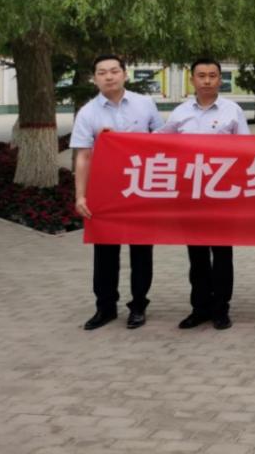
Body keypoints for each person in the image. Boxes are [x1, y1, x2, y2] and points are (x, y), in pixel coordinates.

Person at [72, 54, 163, 330]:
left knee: (141, 251)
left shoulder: (145, 104)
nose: (109, 76)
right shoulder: (88, 112)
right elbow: (83, 156)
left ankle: (138, 306)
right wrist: (81, 196)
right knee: (105, 253)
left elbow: (163, 141)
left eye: (114, 71)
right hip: (105, 189)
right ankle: (105, 307)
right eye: (102, 72)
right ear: (94, 78)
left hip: (141, 187)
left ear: (125, 74)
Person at [160, 58, 250, 330]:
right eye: (201, 75)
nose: (207, 80)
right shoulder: (180, 113)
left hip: (223, 195)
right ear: (192, 80)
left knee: (222, 254)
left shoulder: (233, 111)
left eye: (212, 75)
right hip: (191, 195)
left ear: (220, 79)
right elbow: (158, 141)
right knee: (197, 255)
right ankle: (199, 308)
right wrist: (116, 137)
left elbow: (247, 150)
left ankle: (221, 308)